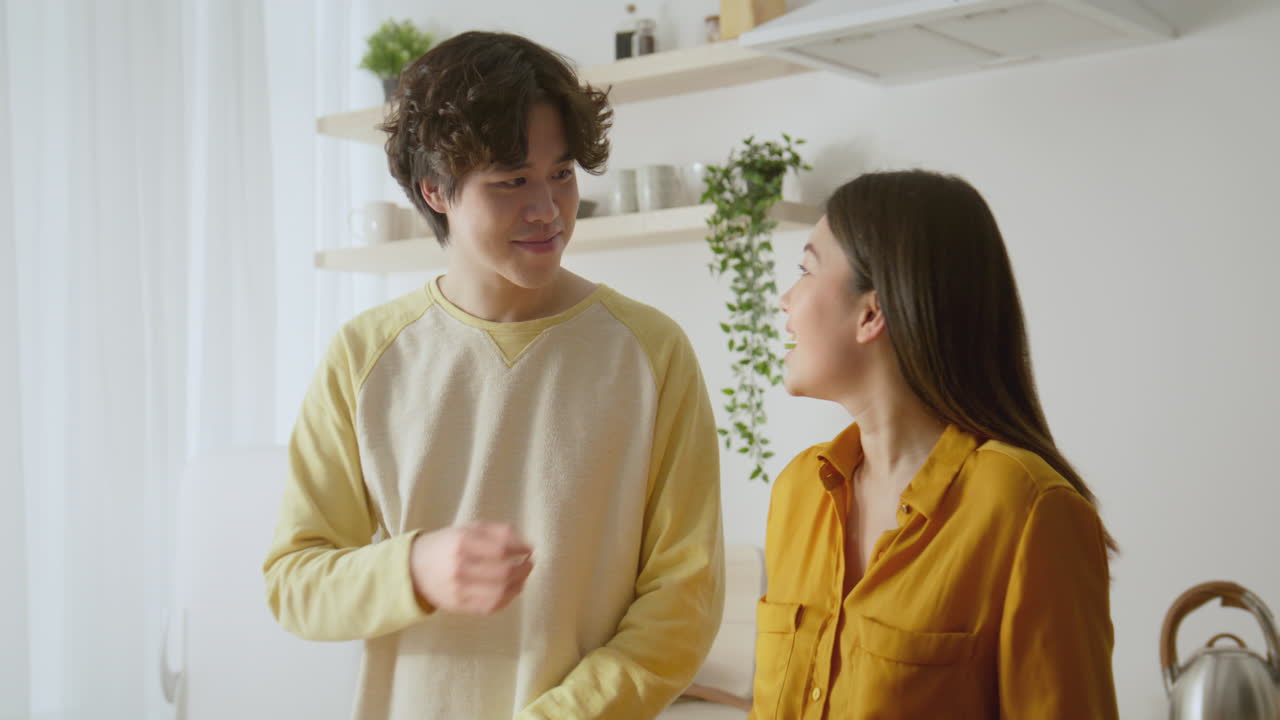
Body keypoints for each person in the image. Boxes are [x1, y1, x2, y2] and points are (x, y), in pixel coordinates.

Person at [263, 31, 724, 720]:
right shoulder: (365, 356)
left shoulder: (651, 353)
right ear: (435, 191)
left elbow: (683, 602)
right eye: (512, 181)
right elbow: (295, 584)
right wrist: (415, 569)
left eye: (561, 174)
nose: (547, 209)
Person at [750, 170, 1118, 719]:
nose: (786, 299)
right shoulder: (799, 491)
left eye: (805, 270)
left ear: (871, 312)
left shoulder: (1027, 509)